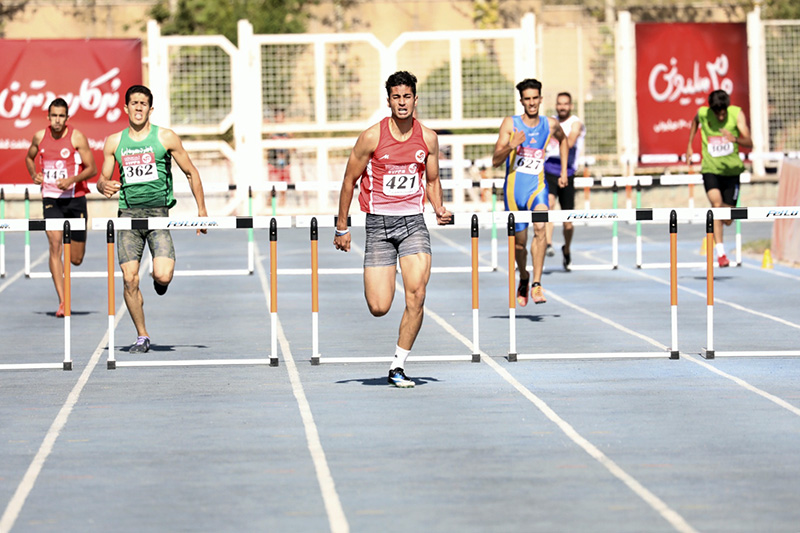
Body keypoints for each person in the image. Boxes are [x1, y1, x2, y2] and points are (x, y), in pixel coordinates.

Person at [333, 71, 452, 388]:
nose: (402, 102)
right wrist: (342, 225)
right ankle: (386, 281)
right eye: (396, 97)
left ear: (415, 99)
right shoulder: (372, 137)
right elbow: (349, 181)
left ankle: (398, 365)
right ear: (389, 101)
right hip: (379, 225)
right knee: (379, 307)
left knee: (417, 295)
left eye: (407, 96)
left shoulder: (427, 138)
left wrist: (438, 208)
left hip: (413, 223)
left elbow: (432, 179)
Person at [96, 85, 207, 354]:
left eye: (143, 104)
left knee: (163, 275)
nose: (138, 108)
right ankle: (142, 335)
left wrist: (202, 211)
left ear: (150, 109)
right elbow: (102, 179)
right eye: (133, 103)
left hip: (158, 216)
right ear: (125, 108)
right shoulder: (114, 142)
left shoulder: (165, 137)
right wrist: (104, 186)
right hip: (128, 217)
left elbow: (191, 172)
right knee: (129, 279)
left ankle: (159, 282)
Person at [492, 78, 568, 306]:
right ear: (522, 101)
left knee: (541, 226)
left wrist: (563, 171)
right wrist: (511, 145)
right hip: (514, 192)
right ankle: (523, 276)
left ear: (541, 99)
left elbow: (563, 141)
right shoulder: (510, 124)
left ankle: (536, 283)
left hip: (538, 188)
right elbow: (495, 160)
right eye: (527, 99)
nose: (532, 103)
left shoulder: (550, 124)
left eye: (535, 98)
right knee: (519, 244)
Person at [25, 98, 98, 317]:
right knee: (54, 245)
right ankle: (63, 301)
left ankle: (67, 272)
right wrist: (33, 174)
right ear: (48, 117)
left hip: (75, 198)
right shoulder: (40, 137)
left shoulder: (77, 137)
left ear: (67, 118)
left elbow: (92, 168)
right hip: (51, 199)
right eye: (54, 116)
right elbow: (29, 158)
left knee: (76, 259)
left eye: (61, 116)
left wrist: (72, 179)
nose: (57, 120)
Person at [686, 89, 753, 267]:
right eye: (718, 114)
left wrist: (735, 139)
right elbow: (694, 122)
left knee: (728, 219)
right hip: (711, 169)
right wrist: (689, 145)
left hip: (732, 172)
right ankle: (721, 253)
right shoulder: (703, 113)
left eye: (724, 113)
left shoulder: (736, 114)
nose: (721, 117)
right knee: (716, 204)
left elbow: (750, 142)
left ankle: (723, 213)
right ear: (712, 111)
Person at [543, 92, 586, 271]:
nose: (562, 107)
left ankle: (566, 248)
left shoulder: (575, 123)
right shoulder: (549, 122)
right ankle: (548, 243)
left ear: (571, 106)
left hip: (567, 172)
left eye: (565, 104)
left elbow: (567, 144)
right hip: (548, 170)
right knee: (549, 205)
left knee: (568, 220)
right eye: (559, 104)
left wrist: (556, 138)